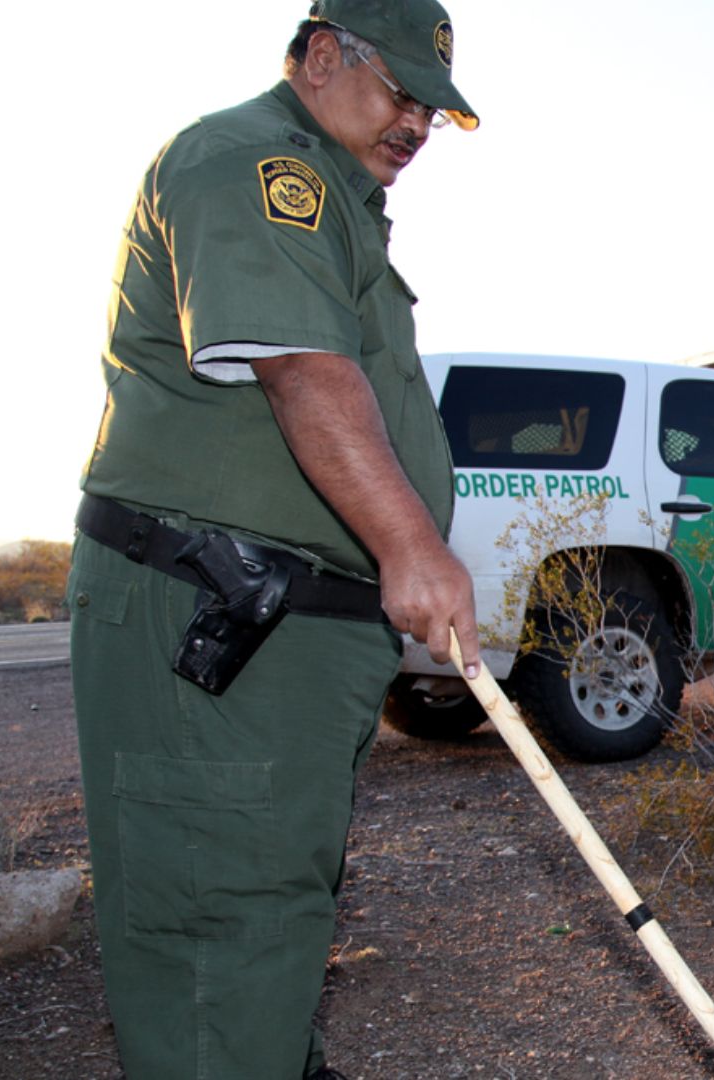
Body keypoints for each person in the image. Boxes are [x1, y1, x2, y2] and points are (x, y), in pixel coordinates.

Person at [67, 3, 481, 1076]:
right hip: (219, 613)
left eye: (434, 110)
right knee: (219, 910)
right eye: (402, 94)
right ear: (323, 55)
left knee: (272, 895)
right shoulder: (253, 163)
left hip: (295, 627)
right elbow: (302, 369)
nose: (417, 125)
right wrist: (412, 546)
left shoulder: (339, 199)